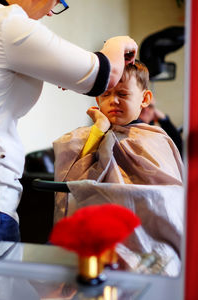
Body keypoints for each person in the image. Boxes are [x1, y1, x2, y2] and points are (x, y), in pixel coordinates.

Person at [0, 0, 138, 242]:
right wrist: (118, 43)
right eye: (57, 1)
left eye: (124, 95)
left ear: (145, 99)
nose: (52, 12)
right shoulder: (9, 22)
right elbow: (106, 73)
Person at [54, 61, 183, 274]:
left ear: (145, 99)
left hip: (152, 236)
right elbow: (75, 181)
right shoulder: (86, 137)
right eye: (106, 95)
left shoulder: (157, 139)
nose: (113, 101)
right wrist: (99, 129)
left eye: (122, 94)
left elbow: (168, 197)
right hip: (104, 239)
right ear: (97, 99)